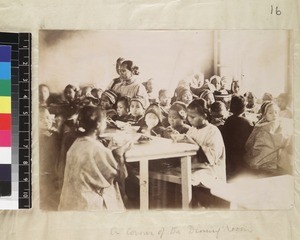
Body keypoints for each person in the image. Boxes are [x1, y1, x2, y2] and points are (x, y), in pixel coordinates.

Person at [58, 106, 131, 211]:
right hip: (88, 206)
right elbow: (120, 176)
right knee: (114, 190)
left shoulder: (77, 142)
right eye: (104, 121)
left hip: (70, 202)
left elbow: (94, 163)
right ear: (98, 125)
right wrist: (120, 154)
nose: (106, 124)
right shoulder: (97, 148)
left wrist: (108, 149)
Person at [176, 99, 226, 188]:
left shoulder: (213, 131)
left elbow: (211, 157)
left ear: (204, 116)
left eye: (193, 117)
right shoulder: (192, 129)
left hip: (209, 169)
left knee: (191, 178)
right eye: (188, 116)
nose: (189, 119)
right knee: (173, 173)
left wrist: (192, 143)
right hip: (193, 166)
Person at [244, 101, 293, 174]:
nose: (274, 115)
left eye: (276, 112)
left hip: (270, 149)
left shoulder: (277, 122)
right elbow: (277, 139)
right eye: (270, 113)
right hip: (264, 152)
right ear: (264, 115)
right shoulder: (263, 126)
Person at [222, 95, 253, 179]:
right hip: (241, 152)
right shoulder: (247, 122)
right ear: (244, 107)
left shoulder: (228, 120)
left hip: (229, 152)